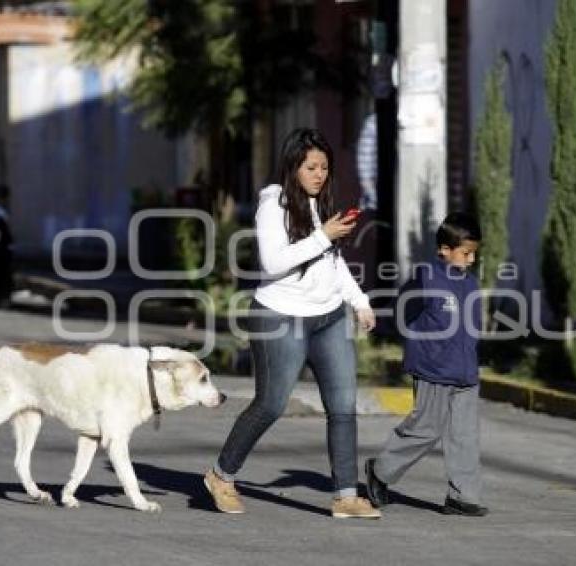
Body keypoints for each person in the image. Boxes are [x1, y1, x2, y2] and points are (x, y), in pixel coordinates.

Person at [203, 128, 381, 519]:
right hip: (281, 316)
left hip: (329, 317)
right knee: (271, 403)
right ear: (293, 167)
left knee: (343, 406)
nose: (319, 174)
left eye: (325, 168)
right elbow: (273, 263)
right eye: (311, 167)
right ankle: (221, 475)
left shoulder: (321, 205)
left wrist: (359, 302)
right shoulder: (275, 203)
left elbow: (332, 263)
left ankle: (346, 496)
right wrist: (323, 235)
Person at [365, 213, 488, 516]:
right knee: (426, 429)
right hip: (433, 368)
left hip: (465, 371)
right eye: (466, 253)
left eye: (474, 253)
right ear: (444, 250)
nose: (471, 259)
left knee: (465, 435)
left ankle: (463, 496)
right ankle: (381, 471)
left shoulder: (470, 283)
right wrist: (419, 343)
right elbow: (403, 309)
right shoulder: (427, 276)